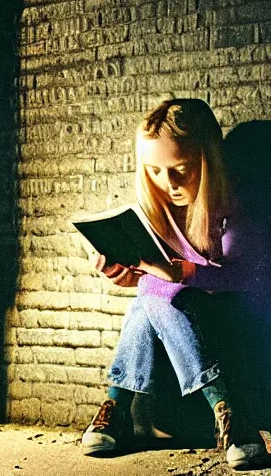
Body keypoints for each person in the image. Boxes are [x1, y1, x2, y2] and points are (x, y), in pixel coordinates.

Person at [80, 99, 271, 470]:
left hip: (237, 329)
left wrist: (181, 274)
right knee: (149, 295)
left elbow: (246, 279)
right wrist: (124, 270)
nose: (169, 184)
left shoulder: (237, 209)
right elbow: (154, 280)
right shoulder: (159, 210)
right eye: (154, 171)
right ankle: (225, 412)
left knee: (155, 294)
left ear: (207, 158)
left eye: (181, 169)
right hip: (180, 337)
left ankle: (115, 404)